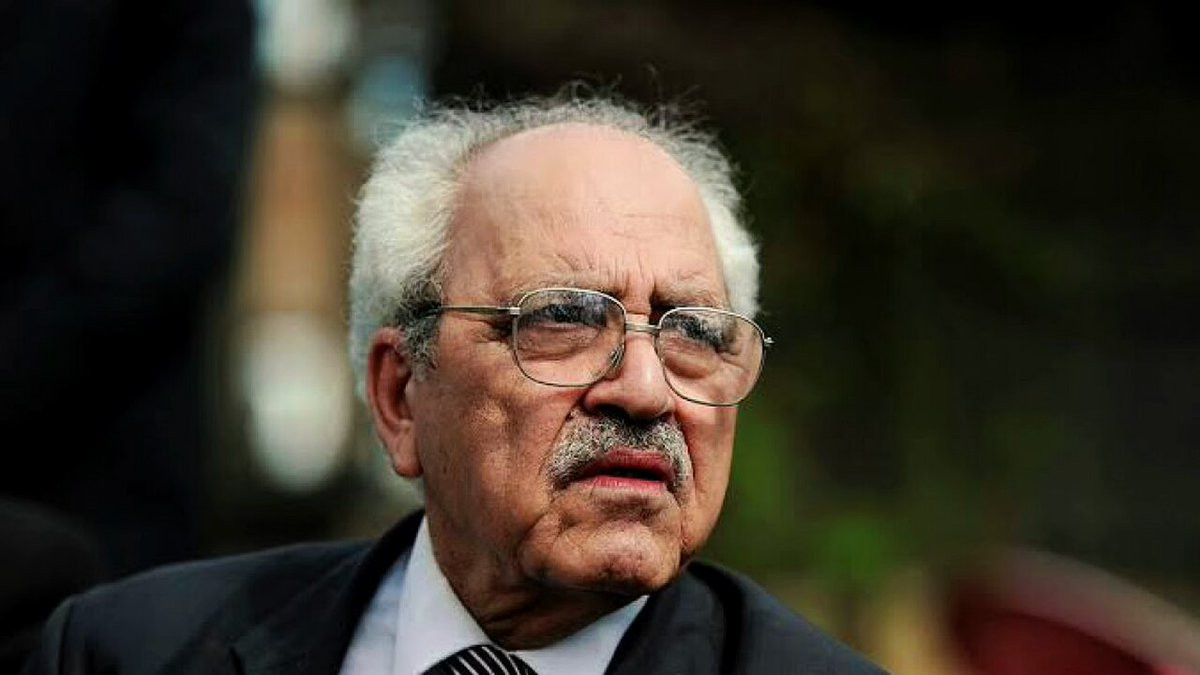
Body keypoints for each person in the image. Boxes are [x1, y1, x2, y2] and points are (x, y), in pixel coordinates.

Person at [24, 95, 886, 674]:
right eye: (563, 319)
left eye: (693, 333)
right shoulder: (128, 650)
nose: (645, 389)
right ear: (401, 394)